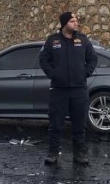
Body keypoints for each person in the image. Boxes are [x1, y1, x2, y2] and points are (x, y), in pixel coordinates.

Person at [39, 11, 98, 166]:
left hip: (79, 89)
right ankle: (53, 154)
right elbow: (44, 60)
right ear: (65, 23)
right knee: (55, 124)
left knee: (79, 123)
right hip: (59, 89)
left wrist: (85, 73)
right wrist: (53, 74)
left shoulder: (83, 40)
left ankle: (79, 154)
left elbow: (92, 59)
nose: (76, 23)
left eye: (76, 21)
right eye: (72, 21)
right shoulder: (53, 41)